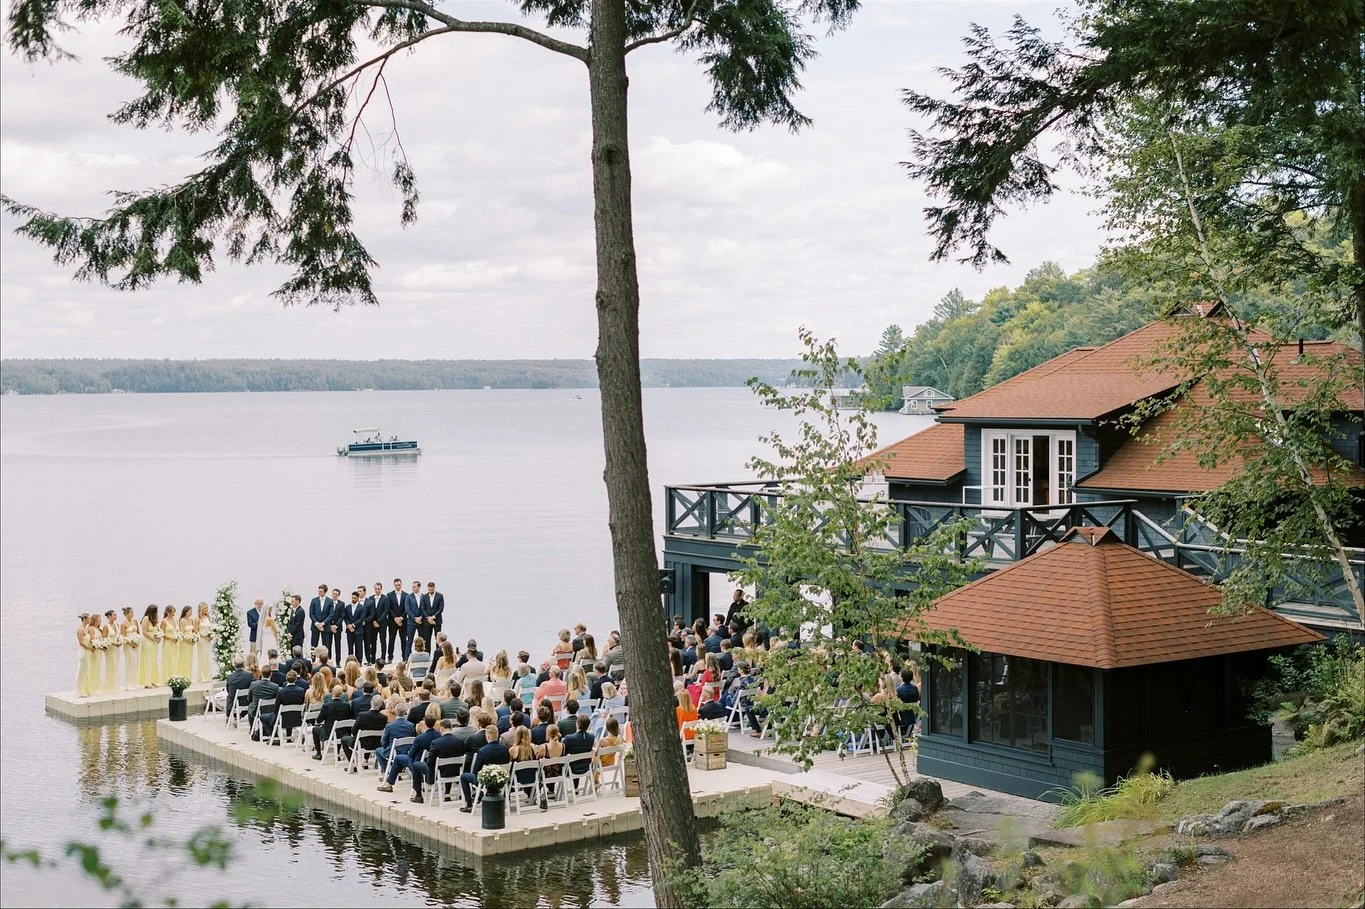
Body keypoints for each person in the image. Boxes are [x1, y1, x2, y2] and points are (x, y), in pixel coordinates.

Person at [379, 705, 442, 795]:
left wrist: (409, 752)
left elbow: (411, 755)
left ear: (425, 723)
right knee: (402, 757)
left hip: (417, 762)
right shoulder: (439, 735)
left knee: (398, 758)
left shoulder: (420, 738)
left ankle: (389, 783)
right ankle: (390, 781)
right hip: (431, 762)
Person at [408, 718, 466, 804]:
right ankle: (447, 794)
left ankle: (419, 795)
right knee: (448, 766)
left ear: (441, 729)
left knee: (416, 765)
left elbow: (430, 762)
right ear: (451, 728)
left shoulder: (436, 743)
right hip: (456, 771)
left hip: (438, 773)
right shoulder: (460, 741)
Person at [459, 726, 510, 812]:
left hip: (486, 781)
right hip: (502, 780)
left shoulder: (483, 751)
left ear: (488, 737)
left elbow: (475, 771)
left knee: (464, 777)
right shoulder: (505, 750)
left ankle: (469, 804)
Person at [373, 696, 416, 771]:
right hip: (407, 751)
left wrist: (385, 746)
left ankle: (388, 771)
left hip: (393, 751)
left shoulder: (389, 725)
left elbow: (384, 742)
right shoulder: (411, 725)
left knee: (378, 750)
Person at [341, 695, 388, 764]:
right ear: (381, 705)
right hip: (377, 743)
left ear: (371, 703)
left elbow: (353, 731)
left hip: (362, 743)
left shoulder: (362, 715)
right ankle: (365, 760)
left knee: (344, 739)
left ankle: (352, 763)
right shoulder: (384, 718)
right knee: (369, 738)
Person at [311, 684, 354, 759]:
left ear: (332, 693)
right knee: (338, 728)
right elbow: (349, 717)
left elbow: (318, 720)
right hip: (343, 733)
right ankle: (337, 753)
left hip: (329, 733)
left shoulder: (327, 706)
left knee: (315, 730)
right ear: (341, 694)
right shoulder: (346, 705)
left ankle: (318, 753)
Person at [138, 605, 161, 688]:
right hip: (148, 641)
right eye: (155, 610)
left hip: (154, 643)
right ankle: (147, 682)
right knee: (147, 660)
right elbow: (144, 632)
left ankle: (153, 680)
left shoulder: (154, 619)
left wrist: (159, 637)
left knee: (153, 660)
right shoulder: (146, 618)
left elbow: (157, 630)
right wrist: (154, 639)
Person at [385, 578, 407, 662]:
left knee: (403, 640)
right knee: (391, 640)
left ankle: (404, 657)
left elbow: (406, 608)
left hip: (403, 621)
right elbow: (389, 608)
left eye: (399, 585)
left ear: (401, 585)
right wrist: (395, 618)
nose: (398, 586)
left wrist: (401, 618)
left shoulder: (406, 595)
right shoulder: (389, 595)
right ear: (394, 585)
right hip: (392, 621)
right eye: (396, 585)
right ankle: (390, 658)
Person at [364, 582, 385, 664]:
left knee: (383, 640)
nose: (377, 590)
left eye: (378, 589)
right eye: (376, 589)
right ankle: (372, 659)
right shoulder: (370, 598)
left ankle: (383, 658)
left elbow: (385, 611)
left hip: (382, 623)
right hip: (372, 623)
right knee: (373, 641)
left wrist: (378, 621)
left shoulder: (385, 598)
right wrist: (373, 621)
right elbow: (371, 612)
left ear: (381, 589)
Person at [75, 614, 95, 698]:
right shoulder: (80, 630)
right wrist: (90, 648)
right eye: (89, 619)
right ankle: (80, 691)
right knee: (81, 671)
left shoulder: (86, 629)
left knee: (87, 671)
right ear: (84, 619)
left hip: (88, 652)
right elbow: (81, 642)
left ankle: (86, 689)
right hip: (83, 652)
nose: (90, 620)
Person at [194, 603, 214, 683]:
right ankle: (202, 677)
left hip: (208, 640)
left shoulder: (208, 617)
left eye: (207, 608)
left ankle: (208, 676)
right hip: (202, 640)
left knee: (207, 657)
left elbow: (211, 628)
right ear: (201, 609)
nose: (206, 609)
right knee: (202, 657)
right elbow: (196, 630)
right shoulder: (198, 619)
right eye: (205, 608)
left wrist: (211, 635)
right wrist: (204, 636)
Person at [308, 584, 329, 651]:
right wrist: (317, 623)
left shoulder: (330, 601)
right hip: (315, 626)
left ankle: (325, 660)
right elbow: (311, 613)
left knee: (325, 645)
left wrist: (323, 623)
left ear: (325, 592)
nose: (319, 593)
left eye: (321, 591)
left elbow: (331, 614)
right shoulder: (314, 600)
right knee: (313, 645)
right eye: (318, 591)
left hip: (325, 626)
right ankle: (313, 659)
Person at [423, 581, 444, 647]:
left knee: (438, 640)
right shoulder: (424, 596)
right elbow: (423, 609)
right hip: (427, 621)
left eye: (432, 589)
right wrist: (428, 618)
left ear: (434, 588)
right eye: (429, 589)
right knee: (427, 639)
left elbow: (441, 608)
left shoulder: (440, 596)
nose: (431, 591)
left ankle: (438, 656)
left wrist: (433, 617)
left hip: (437, 621)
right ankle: (427, 656)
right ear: (427, 588)